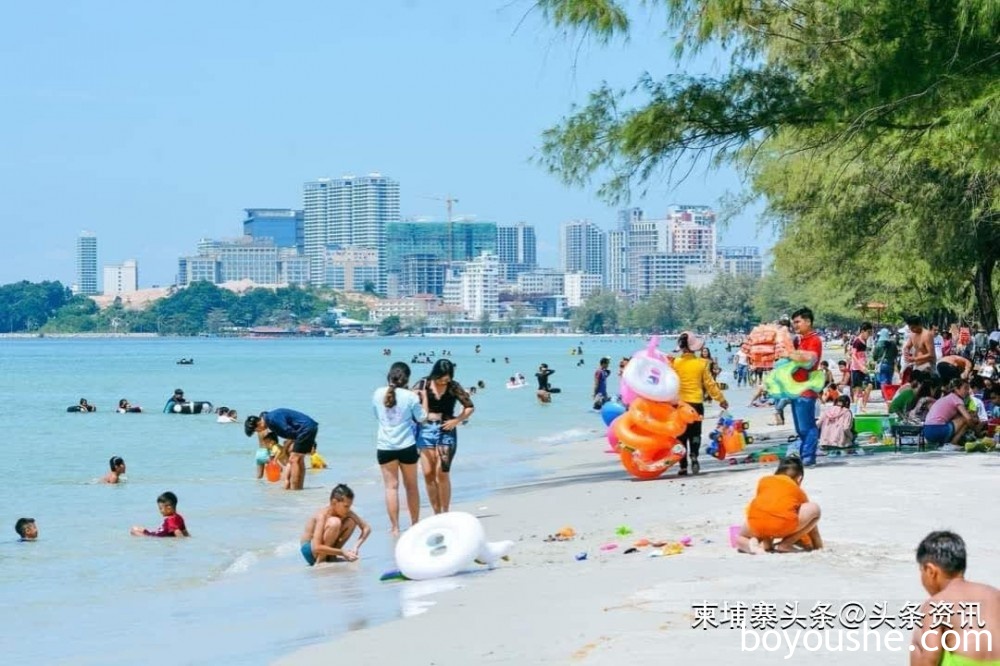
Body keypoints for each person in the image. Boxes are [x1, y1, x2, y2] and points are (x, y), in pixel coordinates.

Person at [909, 531, 1000, 666]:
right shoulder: (995, 594)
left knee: (919, 639)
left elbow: (931, 656)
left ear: (930, 571)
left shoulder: (936, 604)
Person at [413, 359, 474, 514]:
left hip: (446, 429)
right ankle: (436, 512)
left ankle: (445, 511)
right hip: (425, 430)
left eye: (446, 379)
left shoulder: (453, 386)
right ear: (435, 374)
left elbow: (469, 407)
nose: (443, 382)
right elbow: (410, 401)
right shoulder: (423, 383)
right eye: (440, 378)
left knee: (442, 471)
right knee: (428, 474)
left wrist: (457, 420)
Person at [373, 361, 426, 536]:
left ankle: (395, 528)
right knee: (411, 486)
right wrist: (422, 398)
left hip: (385, 446)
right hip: (407, 446)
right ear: (407, 378)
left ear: (389, 376)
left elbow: (377, 416)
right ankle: (415, 523)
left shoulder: (377, 393)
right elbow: (421, 418)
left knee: (391, 488)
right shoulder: (411, 397)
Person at [735, 457, 823, 554]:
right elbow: (813, 530)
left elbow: (767, 506)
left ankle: (757, 545)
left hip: (757, 523)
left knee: (742, 535)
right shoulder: (797, 490)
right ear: (799, 478)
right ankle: (786, 544)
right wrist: (817, 546)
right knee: (814, 509)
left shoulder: (764, 481)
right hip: (781, 525)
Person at [672, 331, 728, 476]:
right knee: (695, 433)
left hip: (679, 404)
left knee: (681, 435)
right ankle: (694, 456)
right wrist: (721, 399)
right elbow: (710, 384)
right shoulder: (702, 364)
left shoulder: (675, 363)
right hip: (696, 403)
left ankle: (683, 466)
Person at [244, 409, 319, 491]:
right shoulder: (271, 419)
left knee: (294, 459)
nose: (258, 431)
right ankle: (299, 488)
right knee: (299, 459)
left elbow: (288, 430)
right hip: (308, 428)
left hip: (305, 429)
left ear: (258, 424)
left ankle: (295, 490)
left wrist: (287, 447)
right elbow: (290, 431)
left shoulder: (271, 419)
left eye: (255, 430)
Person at [299, 484, 370, 567]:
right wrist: (342, 552)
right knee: (335, 522)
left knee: (351, 521)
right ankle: (321, 560)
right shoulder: (322, 515)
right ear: (334, 502)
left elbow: (366, 528)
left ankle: (331, 556)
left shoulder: (347, 512)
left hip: (323, 548)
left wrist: (356, 547)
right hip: (310, 550)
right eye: (346, 506)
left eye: (350, 506)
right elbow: (316, 547)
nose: (348, 509)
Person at [788, 307, 823, 466]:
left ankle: (808, 456)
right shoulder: (799, 340)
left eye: (798, 322)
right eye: (793, 322)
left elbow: (811, 361)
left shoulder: (814, 340)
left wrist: (791, 354)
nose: (795, 325)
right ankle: (806, 455)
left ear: (808, 321)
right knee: (799, 428)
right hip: (796, 388)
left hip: (806, 389)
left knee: (806, 426)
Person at [922, 379, 973, 448]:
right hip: (937, 430)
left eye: (968, 389)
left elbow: (956, 417)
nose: (967, 391)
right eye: (965, 388)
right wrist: (976, 430)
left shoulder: (946, 398)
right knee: (965, 420)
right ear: (956, 389)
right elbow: (968, 418)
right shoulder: (956, 399)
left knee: (962, 418)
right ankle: (953, 444)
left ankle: (946, 443)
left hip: (926, 432)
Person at [904, 316, 938, 383]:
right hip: (917, 365)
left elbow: (931, 354)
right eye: (910, 328)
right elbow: (907, 346)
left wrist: (914, 359)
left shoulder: (927, 335)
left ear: (919, 324)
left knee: (925, 387)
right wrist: (906, 352)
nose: (912, 330)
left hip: (928, 365)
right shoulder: (912, 334)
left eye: (913, 327)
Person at [850, 322, 873, 392]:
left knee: (869, 386)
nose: (870, 335)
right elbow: (853, 355)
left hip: (863, 368)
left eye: (871, 333)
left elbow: (863, 355)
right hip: (857, 369)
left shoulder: (864, 341)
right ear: (862, 331)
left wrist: (867, 364)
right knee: (857, 390)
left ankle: (863, 403)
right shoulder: (857, 341)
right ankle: (857, 402)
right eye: (868, 332)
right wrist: (860, 366)